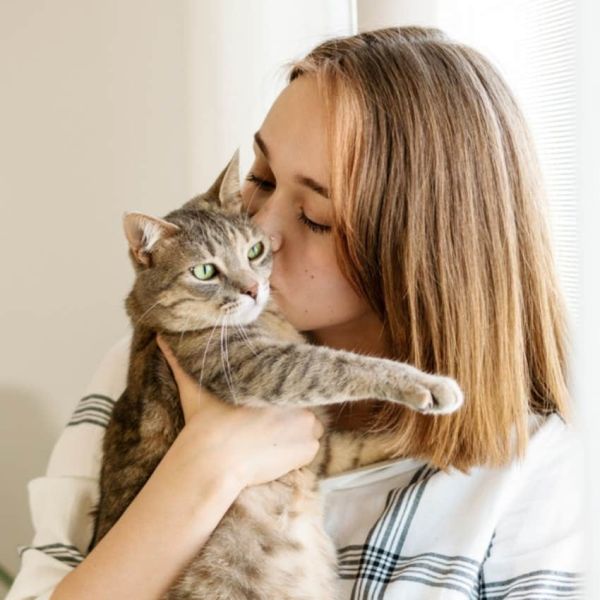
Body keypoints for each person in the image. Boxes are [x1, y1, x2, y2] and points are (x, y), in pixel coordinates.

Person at [7, 26, 584, 600]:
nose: (258, 231)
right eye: (260, 180)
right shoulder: (148, 364)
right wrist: (204, 468)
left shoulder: (531, 472)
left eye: (314, 216)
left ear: (419, 250)